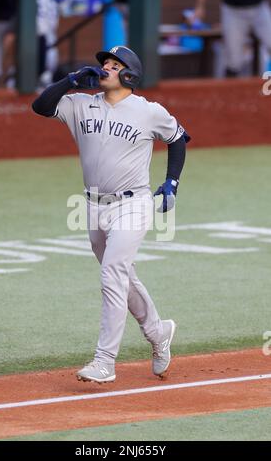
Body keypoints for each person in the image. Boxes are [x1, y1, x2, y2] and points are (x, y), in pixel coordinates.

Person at [32, 46, 189, 383]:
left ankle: (105, 362)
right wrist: (70, 81)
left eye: (114, 66)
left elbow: (178, 138)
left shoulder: (148, 111)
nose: (105, 69)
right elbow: (40, 106)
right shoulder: (79, 104)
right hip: (92, 206)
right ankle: (158, 332)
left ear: (129, 74)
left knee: (112, 274)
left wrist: (171, 182)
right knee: (122, 275)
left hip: (133, 204)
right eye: (104, 63)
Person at [192, 0, 271, 76]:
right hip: (233, 10)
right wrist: (200, 5)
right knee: (234, 59)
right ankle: (231, 88)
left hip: (259, 8)